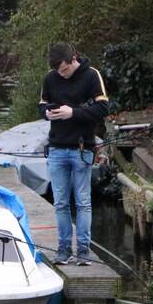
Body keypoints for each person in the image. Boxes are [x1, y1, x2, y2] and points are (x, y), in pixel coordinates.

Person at [39, 42, 110, 266]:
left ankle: (83, 250)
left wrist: (74, 113)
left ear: (73, 60)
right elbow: (42, 105)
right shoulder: (50, 78)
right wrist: (47, 114)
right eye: (59, 71)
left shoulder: (91, 76)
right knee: (60, 203)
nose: (62, 75)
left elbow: (103, 108)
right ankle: (63, 249)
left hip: (82, 148)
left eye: (65, 70)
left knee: (83, 202)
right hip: (57, 147)